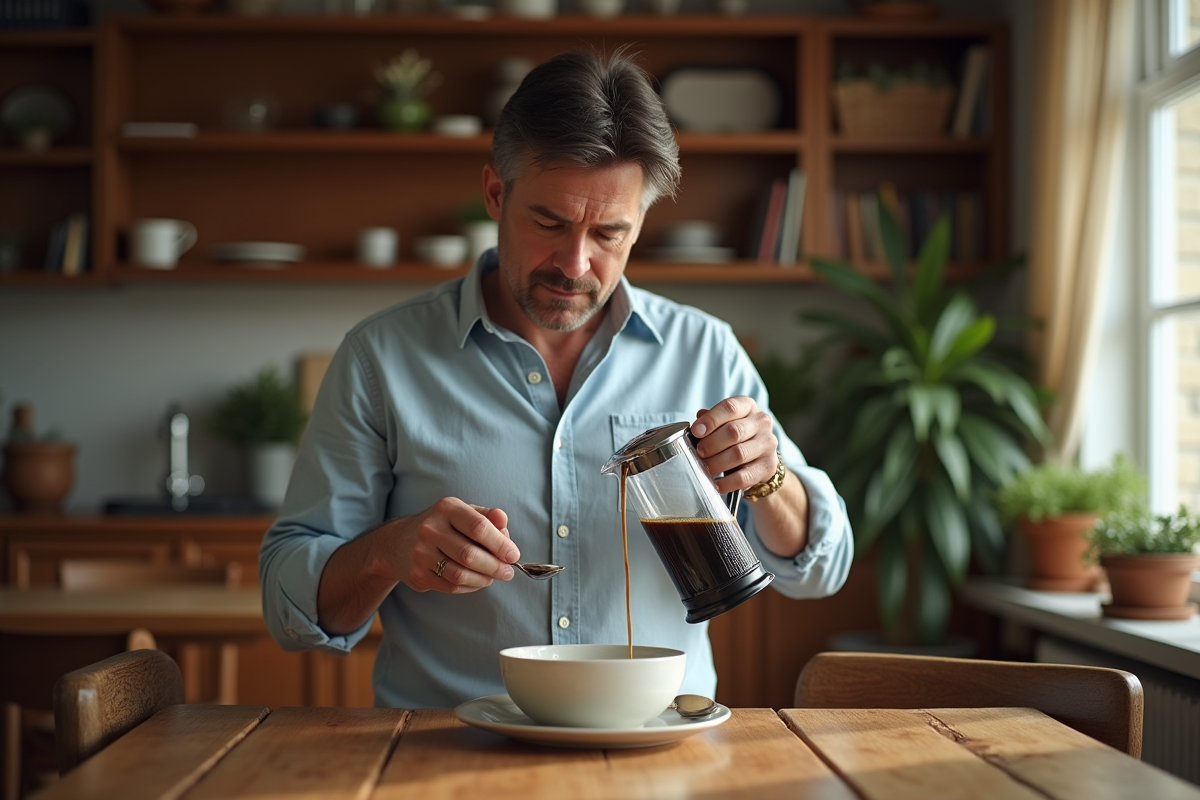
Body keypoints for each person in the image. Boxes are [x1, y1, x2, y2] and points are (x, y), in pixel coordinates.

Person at [259, 49, 853, 709]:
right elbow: (288, 609)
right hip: (449, 750)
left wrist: (771, 480)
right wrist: (388, 552)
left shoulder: (705, 351)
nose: (575, 264)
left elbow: (821, 570)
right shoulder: (380, 358)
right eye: (549, 223)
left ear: (641, 223)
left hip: (661, 749)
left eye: (609, 233)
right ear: (495, 193)